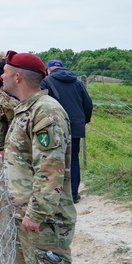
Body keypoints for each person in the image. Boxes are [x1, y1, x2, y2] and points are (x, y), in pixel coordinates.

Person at [2, 52, 87, 264]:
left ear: (19, 77)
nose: (3, 77)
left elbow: (50, 171)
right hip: (21, 214)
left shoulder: (46, 111)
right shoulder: (24, 109)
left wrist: (35, 215)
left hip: (44, 219)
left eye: (7, 72)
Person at [41, 60, 93, 203]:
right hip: (75, 125)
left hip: (54, 125)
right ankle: (73, 195)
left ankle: (56, 195)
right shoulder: (77, 82)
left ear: (49, 69)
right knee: (74, 159)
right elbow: (88, 103)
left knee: (54, 159)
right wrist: (84, 120)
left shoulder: (46, 82)